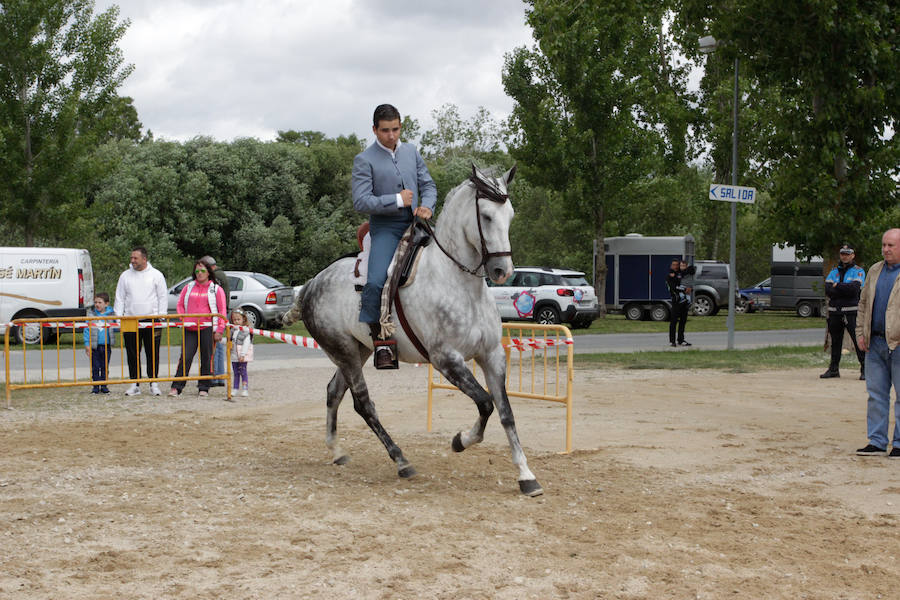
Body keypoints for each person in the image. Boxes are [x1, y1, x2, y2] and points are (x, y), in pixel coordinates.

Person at [351, 103, 437, 369]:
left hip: (417, 223)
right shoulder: (364, 159)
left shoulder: (411, 151)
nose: (391, 135)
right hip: (386, 228)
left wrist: (428, 206)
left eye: (396, 129)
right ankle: (381, 343)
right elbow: (360, 201)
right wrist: (397, 200)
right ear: (374, 129)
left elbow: (428, 185)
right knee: (376, 280)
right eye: (385, 130)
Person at [854, 228, 900, 457]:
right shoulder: (874, 270)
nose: (886, 249)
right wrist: (860, 333)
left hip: (898, 344)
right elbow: (863, 304)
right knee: (876, 395)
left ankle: (899, 444)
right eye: (884, 245)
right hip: (875, 343)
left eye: (891, 245)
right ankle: (877, 441)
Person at [168, 258, 227, 397]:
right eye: (197, 271)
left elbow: (222, 311)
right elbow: (180, 305)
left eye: (202, 270)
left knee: (206, 358)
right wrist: (183, 318)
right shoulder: (188, 287)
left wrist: (219, 330)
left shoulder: (216, 289)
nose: (199, 273)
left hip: (207, 328)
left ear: (208, 272)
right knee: (186, 357)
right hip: (190, 328)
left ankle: (204, 387)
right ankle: (177, 387)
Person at [114, 246, 168, 396]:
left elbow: (162, 296)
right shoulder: (125, 276)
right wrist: (118, 318)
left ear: (144, 259)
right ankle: (134, 384)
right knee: (132, 353)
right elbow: (120, 297)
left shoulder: (156, 275)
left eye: (135, 258)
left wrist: (162, 317)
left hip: (152, 320)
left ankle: (154, 383)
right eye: (131, 258)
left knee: (153, 353)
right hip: (130, 319)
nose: (132, 260)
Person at [821, 244, 866, 379]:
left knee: (857, 341)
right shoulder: (833, 271)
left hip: (851, 312)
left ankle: (865, 369)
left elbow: (854, 290)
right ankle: (833, 369)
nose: (844, 256)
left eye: (847, 254)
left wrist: (837, 286)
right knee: (835, 341)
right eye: (842, 254)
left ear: (853, 255)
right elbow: (828, 290)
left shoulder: (858, 271)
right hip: (835, 311)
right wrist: (843, 288)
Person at [200, 255, 230, 386]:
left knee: (213, 346)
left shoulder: (215, 277)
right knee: (218, 346)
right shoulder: (221, 274)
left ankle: (214, 375)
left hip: (216, 314)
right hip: (221, 313)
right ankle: (220, 376)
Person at [83, 292, 116, 394]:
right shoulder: (91, 315)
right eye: (95, 302)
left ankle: (104, 386)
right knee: (95, 367)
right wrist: (87, 344)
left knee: (105, 367)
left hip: (106, 346)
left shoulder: (111, 315)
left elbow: (116, 326)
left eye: (100, 302)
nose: (97, 304)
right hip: (94, 346)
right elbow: (86, 330)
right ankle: (96, 387)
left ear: (106, 303)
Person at [666, 258, 694, 347]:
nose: (675, 266)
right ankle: (672, 341)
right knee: (674, 321)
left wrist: (690, 289)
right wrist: (684, 289)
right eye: (673, 265)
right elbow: (673, 288)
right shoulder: (669, 276)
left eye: (676, 265)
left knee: (683, 321)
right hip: (676, 301)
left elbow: (690, 275)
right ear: (671, 266)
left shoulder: (681, 274)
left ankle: (681, 340)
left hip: (684, 301)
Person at [229, 308, 254, 398]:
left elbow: (246, 344)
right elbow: (230, 341)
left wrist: (243, 354)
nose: (236, 321)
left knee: (243, 372)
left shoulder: (246, 331)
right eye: (234, 320)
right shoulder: (232, 330)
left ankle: (245, 389)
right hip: (234, 356)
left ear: (243, 319)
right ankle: (235, 388)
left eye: (238, 319)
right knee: (236, 373)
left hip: (242, 356)